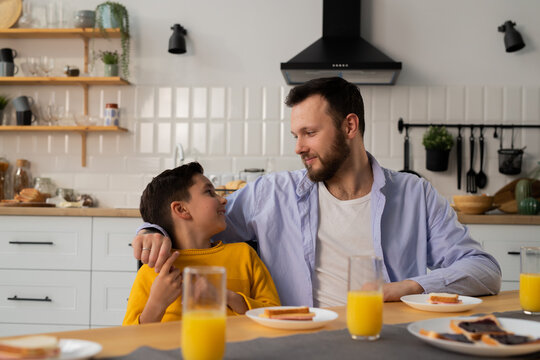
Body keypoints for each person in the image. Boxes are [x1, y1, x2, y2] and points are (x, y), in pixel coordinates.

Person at [132, 77, 501, 307]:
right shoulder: (271, 193)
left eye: (309, 133)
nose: (298, 147)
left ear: (349, 126)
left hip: (388, 339)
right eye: (296, 136)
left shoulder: (415, 194)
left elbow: (484, 270)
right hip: (298, 342)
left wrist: (400, 289)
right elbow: (194, 227)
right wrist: (152, 230)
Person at [123, 162, 280, 325]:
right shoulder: (153, 270)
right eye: (209, 192)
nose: (223, 200)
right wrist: (156, 304)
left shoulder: (245, 255)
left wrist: (224, 296)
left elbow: (274, 314)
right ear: (182, 210)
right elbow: (129, 338)